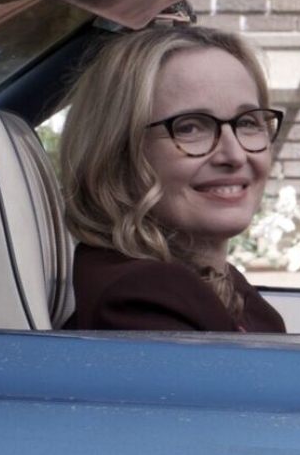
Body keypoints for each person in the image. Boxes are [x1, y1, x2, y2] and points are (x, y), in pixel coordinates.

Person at [59, 25, 286, 333]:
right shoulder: (142, 300)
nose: (234, 155)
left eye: (247, 122)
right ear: (118, 153)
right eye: (190, 127)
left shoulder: (222, 284)